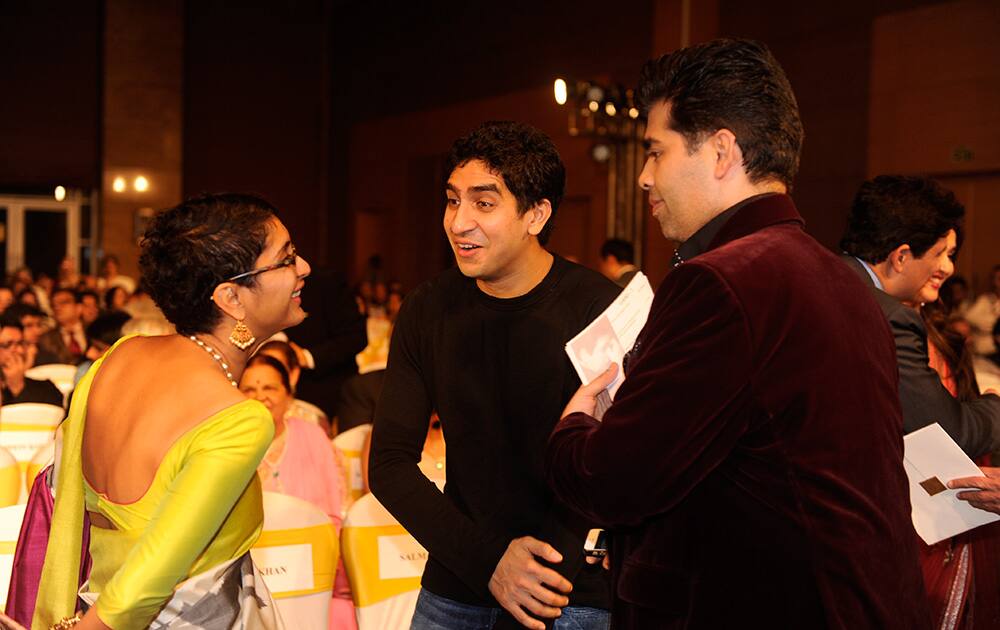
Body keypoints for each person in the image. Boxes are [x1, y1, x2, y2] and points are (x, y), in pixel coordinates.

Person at [545, 39, 928, 629]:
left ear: (721, 150)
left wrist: (577, 425)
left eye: (656, 152)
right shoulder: (840, 278)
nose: (646, 178)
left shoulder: (723, 281)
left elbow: (614, 480)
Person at [369, 121, 619, 630]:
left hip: (569, 591)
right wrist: (490, 563)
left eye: (484, 204)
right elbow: (389, 466)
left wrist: (537, 571)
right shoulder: (428, 308)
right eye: (452, 200)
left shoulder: (598, 308)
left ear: (536, 214)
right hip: (458, 581)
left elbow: (619, 464)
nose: (459, 222)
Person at [33, 192, 309, 629]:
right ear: (231, 298)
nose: (304, 268)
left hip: (88, 600)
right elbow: (144, 585)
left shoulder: (119, 356)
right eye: (287, 259)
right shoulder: (237, 420)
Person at [839, 176, 1000, 458]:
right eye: (940, 254)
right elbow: (949, 435)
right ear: (901, 257)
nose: (948, 268)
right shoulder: (887, 316)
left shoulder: (823, 276)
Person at [239, 353, 355, 630]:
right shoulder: (231, 447)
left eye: (269, 388)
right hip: (250, 573)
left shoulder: (311, 436)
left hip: (310, 566)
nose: (260, 396)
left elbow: (334, 515)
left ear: (288, 394)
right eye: (250, 390)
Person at [283, 267, 367, 422]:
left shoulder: (325, 282)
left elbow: (356, 337)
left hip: (323, 392)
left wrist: (307, 357)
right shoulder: (246, 288)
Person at [0, 315, 63, 407]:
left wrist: (17, 386)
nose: (20, 350)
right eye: (7, 344)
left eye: (21, 343)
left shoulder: (46, 389)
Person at [37, 287, 87, 364]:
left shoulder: (95, 332)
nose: (57, 307)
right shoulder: (46, 339)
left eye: (64, 302)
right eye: (54, 305)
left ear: (79, 307)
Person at [966, 264, 1000, 355]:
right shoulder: (985, 300)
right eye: (996, 279)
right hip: (983, 353)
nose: (998, 283)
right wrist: (994, 324)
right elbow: (969, 318)